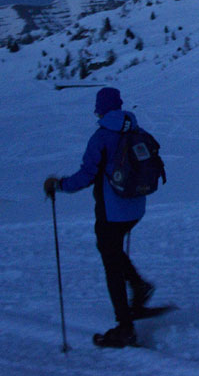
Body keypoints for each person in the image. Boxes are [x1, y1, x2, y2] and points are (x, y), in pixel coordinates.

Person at [43, 87, 153, 348]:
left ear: (100, 109)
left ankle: (125, 326)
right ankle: (138, 287)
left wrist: (59, 185)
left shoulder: (102, 137)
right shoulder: (136, 130)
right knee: (111, 250)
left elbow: (86, 175)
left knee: (111, 263)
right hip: (136, 207)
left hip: (112, 211)